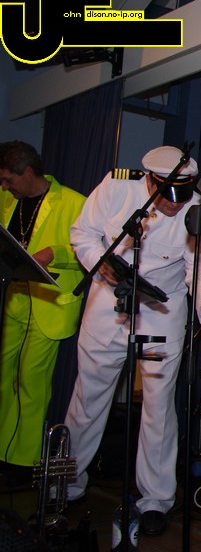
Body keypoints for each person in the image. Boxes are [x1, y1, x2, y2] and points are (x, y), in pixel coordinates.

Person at [65, 146, 201, 536]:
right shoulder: (116, 188)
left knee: (158, 408)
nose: (174, 204)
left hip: (162, 311)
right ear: (150, 180)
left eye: (181, 195)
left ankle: (155, 500)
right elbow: (82, 233)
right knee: (87, 400)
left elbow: (199, 267)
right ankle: (67, 485)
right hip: (108, 305)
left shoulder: (196, 208)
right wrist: (101, 264)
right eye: (167, 195)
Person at [0, 141, 85, 480]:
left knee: (32, 383)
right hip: (13, 299)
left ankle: (23, 462)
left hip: (50, 303)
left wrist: (54, 252)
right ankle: (3, 449)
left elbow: (89, 251)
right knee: (3, 377)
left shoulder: (74, 202)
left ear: (28, 172)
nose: (4, 187)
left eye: (8, 180)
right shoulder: (8, 200)